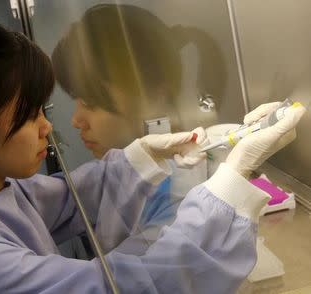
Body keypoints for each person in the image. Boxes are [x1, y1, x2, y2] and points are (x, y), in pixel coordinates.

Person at [0, 21, 305, 293]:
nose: (48, 127)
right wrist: (232, 180)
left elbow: (73, 198)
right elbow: (125, 289)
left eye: (44, 110)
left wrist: (143, 154)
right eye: (28, 115)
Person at [51, 4, 224, 228]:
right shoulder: (125, 178)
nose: (76, 121)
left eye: (90, 103)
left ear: (153, 93)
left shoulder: (177, 192)